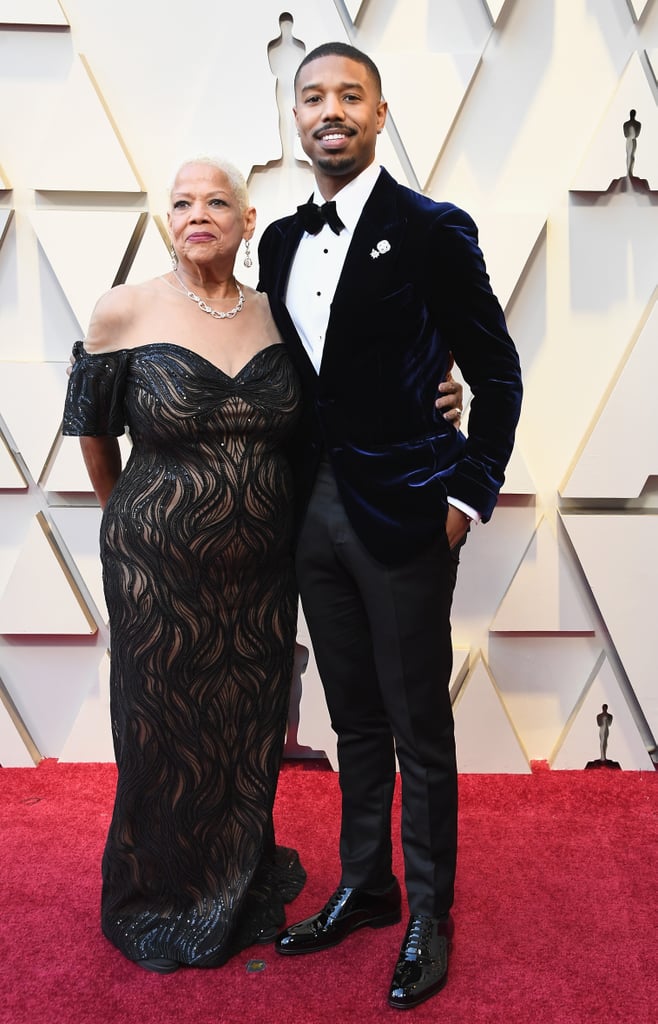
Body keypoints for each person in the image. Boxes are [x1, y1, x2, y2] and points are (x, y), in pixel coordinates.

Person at [257, 42, 523, 1009]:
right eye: (312, 97)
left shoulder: (433, 229)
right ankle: (364, 890)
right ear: (296, 119)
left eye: (349, 96)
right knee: (354, 718)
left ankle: (430, 914)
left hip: (408, 511)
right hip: (313, 513)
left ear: (378, 113)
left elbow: (496, 376)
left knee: (420, 726)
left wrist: (465, 496)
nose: (330, 111)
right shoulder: (280, 242)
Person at [61, 157, 309, 973]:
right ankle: (163, 892)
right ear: (167, 219)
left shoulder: (281, 315)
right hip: (156, 573)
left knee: (245, 733)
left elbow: (341, 403)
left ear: (245, 219)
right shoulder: (122, 310)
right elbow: (94, 435)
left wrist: (439, 391)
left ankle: (234, 876)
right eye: (181, 202)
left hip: (263, 577)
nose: (196, 213)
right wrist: (122, 525)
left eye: (216, 201)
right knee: (163, 734)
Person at [623, 109, 641, 176]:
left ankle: (630, 171)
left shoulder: (637, 124)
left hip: (632, 140)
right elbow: (625, 134)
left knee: (631, 155)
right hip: (629, 140)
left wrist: (630, 134)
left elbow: (637, 135)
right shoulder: (627, 124)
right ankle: (628, 171)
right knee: (628, 155)